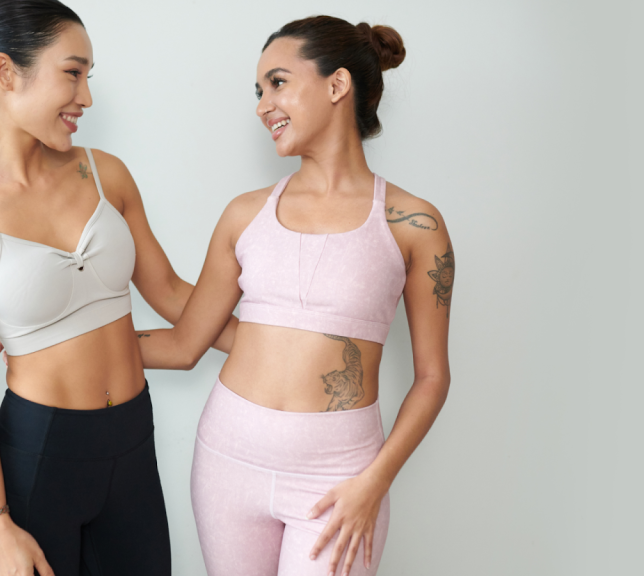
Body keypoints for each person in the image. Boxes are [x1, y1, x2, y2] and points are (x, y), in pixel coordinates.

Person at [0, 1, 234, 574]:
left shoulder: (106, 173)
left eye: (88, 77)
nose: (86, 96)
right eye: (72, 73)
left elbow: (175, 296)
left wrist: (283, 344)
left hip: (132, 445)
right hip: (38, 461)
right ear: (7, 73)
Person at [136, 16, 453, 576]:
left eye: (277, 83)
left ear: (337, 85)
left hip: (340, 477)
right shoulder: (244, 214)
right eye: (259, 91)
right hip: (228, 462)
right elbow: (185, 345)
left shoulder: (414, 224)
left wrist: (373, 483)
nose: (263, 106)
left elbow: (432, 378)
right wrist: (61, 346)